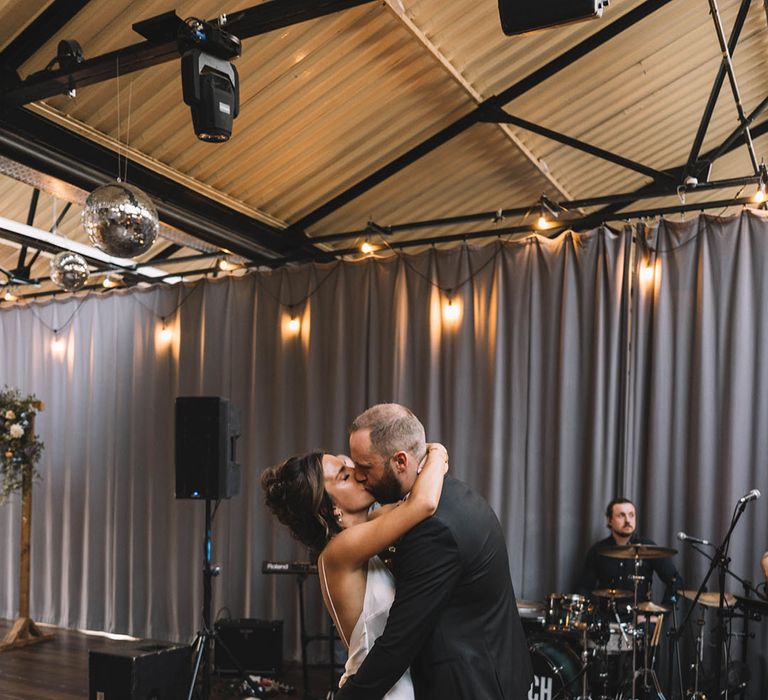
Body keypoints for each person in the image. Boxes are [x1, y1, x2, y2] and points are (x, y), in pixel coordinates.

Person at [336, 403, 532, 700]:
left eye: (365, 468)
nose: (360, 477)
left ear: (400, 461)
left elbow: (401, 640)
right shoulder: (451, 491)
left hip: (471, 685)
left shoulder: (432, 529)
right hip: (496, 668)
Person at [261, 443, 449, 700]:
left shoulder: (367, 529)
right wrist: (437, 452)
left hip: (395, 685)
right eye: (345, 475)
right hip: (382, 692)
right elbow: (424, 502)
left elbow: (414, 496)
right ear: (331, 509)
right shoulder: (339, 551)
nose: (359, 473)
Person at [577, 497, 683, 604]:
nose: (628, 520)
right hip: (605, 618)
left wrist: (661, 614)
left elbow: (675, 582)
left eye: (631, 515)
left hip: (639, 618)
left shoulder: (648, 547)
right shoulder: (598, 550)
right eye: (621, 515)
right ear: (609, 520)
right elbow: (585, 588)